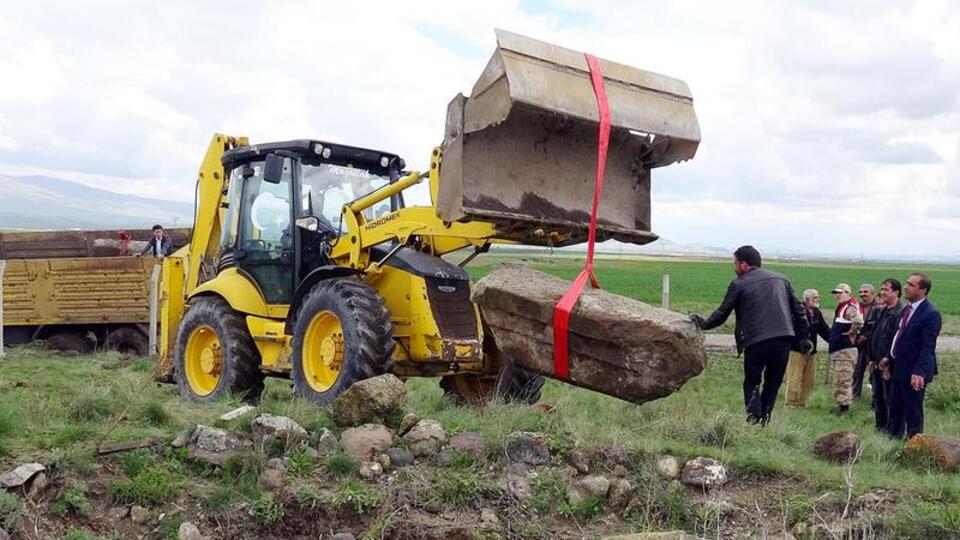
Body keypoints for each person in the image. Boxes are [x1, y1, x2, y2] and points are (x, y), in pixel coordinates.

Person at [691, 245, 809, 426]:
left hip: (756, 341)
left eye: (735, 263)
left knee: (752, 382)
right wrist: (803, 338)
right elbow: (799, 311)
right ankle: (765, 420)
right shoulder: (782, 280)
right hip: (783, 340)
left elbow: (722, 313)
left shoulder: (739, 283)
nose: (734, 267)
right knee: (773, 382)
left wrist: (704, 323)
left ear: (744, 265)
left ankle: (753, 419)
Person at [883, 273, 941, 439]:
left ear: (923, 290)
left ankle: (915, 446)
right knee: (895, 409)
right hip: (898, 367)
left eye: (911, 285)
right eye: (906, 283)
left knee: (913, 412)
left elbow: (927, 347)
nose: (906, 287)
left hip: (914, 372)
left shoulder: (930, 314)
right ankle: (892, 443)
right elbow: (899, 337)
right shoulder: (906, 309)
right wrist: (889, 356)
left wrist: (919, 372)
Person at [784, 289, 830, 407]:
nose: (818, 299)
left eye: (818, 297)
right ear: (807, 299)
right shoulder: (798, 312)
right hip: (797, 351)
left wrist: (834, 341)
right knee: (794, 378)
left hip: (812, 352)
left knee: (810, 380)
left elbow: (824, 330)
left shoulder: (816, 313)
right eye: (815, 297)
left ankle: (802, 403)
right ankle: (791, 403)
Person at [869, 279, 903, 431]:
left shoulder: (900, 313)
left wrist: (887, 358)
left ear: (896, 292)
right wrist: (871, 358)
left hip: (888, 363)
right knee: (878, 397)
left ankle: (892, 430)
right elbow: (876, 335)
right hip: (876, 361)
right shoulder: (883, 311)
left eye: (886, 290)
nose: (882, 293)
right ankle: (880, 426)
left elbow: (896, 339)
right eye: (881, 289)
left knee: (890, 398)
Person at [827, 283, 863, 415]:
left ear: (848, 293)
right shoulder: (843, 307)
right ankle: (841, 405)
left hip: (845, 351)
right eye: (836, 293)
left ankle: (844, 408)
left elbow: (858, 321)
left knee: (842, 379)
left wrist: (853, 333)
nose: (837, 295)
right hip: (841, 350)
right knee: (840, 378)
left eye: (840, 293)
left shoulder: (849, 307)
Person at [852, 283, 877, 399]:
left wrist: (866, 336)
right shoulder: (856, 307)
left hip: (873, 345)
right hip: (858, 345)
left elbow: (878, 326)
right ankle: (854, 395)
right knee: (857, 371)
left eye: (865, 292)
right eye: (861, 292)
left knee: (874, 373)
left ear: (872, 293)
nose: (862, 294)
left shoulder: (878, 307)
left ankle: (876, 397)